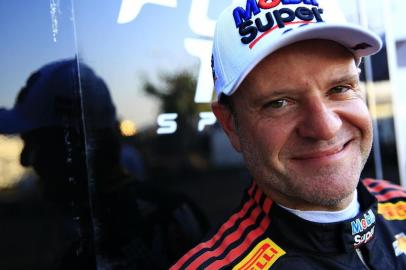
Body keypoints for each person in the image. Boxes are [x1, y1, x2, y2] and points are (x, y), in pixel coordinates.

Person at [171, 0, 406, 269]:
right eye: (279, 103)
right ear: (230, 125)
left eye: (340, 88)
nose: (326, 127)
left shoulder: (400, 201)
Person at [0, 59, 208, 270]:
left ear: (73, 144)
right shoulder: (178, 213)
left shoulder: (86, 249)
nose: (24, 160)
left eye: (34, 142)